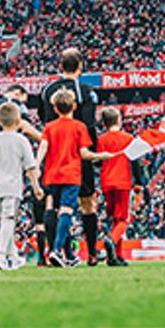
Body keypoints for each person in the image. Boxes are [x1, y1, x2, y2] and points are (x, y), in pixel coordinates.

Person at [37, 89, 117, 267]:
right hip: (71, 174)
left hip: (52, 174)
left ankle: (69, 255)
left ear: (55, 109)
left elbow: (43, 147)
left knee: (56, 212)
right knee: (67, 212)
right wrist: (101, 155)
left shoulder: (49, 127)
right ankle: (56, 250)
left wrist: (36, 165)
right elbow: (84, 153)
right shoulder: (79, 127)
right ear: (74, 106)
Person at [35, 49, 98, 262]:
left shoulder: (47, 90)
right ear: (80, 66)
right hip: (78, 156)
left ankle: (54, 252)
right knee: (86, 204)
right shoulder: (85, 91)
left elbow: (43, 119)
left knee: (52, 203)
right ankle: (91, 254)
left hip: (53, 156)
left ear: (60, 67)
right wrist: (93, 155)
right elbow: (90, 126)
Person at [0, 101, 39, 271]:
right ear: (19, 121)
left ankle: (14, 256)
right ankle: (1, 256)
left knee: (5, 219)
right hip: (12, 185)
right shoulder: (21, 141)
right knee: (8, 219)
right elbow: (30, 167)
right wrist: (36, 187)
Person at [93, 107, 136, 267]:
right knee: (124, 219)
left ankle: (116, 257)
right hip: (123, 181)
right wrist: (140, 183)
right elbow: (135, 161)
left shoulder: (101, 139)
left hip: (107, 182)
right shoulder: (128, 138)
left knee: (115, 219)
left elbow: (97, 161)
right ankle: (111, 241)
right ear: (119, 120)